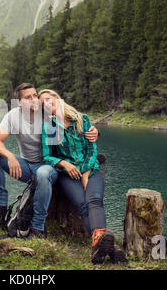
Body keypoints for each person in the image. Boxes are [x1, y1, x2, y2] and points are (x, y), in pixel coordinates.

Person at [0, 83, 99, 239]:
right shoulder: (13, 116)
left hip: (50, 167)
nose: (34, 99)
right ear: (19, 103)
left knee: (42, 172)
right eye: (28, 97)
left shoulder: (48, 113)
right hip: (26, 166)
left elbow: (76, 124)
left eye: (35, 95)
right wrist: (10, 156)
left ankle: (37, 227)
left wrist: (95, 131)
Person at [38, 89, 127, 264]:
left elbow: (91, 149)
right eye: (42, 104)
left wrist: (86, 172)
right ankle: (112, 249)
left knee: (94, 200)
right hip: (68, 175)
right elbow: (47, 156)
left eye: (48, 100)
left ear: (58, 98)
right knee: (83, 204)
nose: (46, 105)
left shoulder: (82, 119)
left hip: (91, 170)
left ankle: (99, 247)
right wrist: (64, 164)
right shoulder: (49, 126)